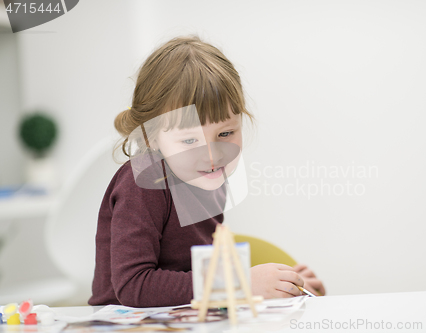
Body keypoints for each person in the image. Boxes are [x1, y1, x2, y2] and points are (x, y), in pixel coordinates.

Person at [88, 35, 325, 307]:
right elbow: (134, 286)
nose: (212, 155)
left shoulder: (210, 176)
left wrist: (282, 281)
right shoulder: (143, 183)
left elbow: (200, 269)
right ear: (151, 136)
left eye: (225, 133)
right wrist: (240, 282)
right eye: (190, 141)